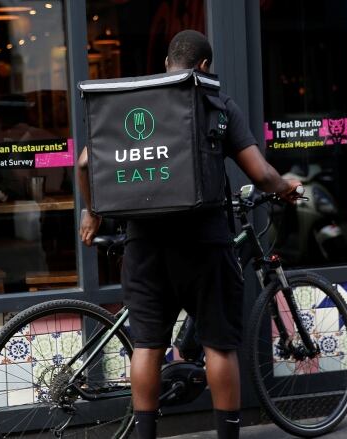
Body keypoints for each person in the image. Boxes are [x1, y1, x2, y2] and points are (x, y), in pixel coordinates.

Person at [77, 30, 303, 439]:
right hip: (204, 241)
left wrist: (92, 213)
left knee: (147, 346)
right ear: (203, 67)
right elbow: (261, 174)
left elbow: (82, 164)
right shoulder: (216, 103)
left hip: (144, 244)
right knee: (219, 345)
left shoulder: (130, 105)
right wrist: (285, 187)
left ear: (167, 64)